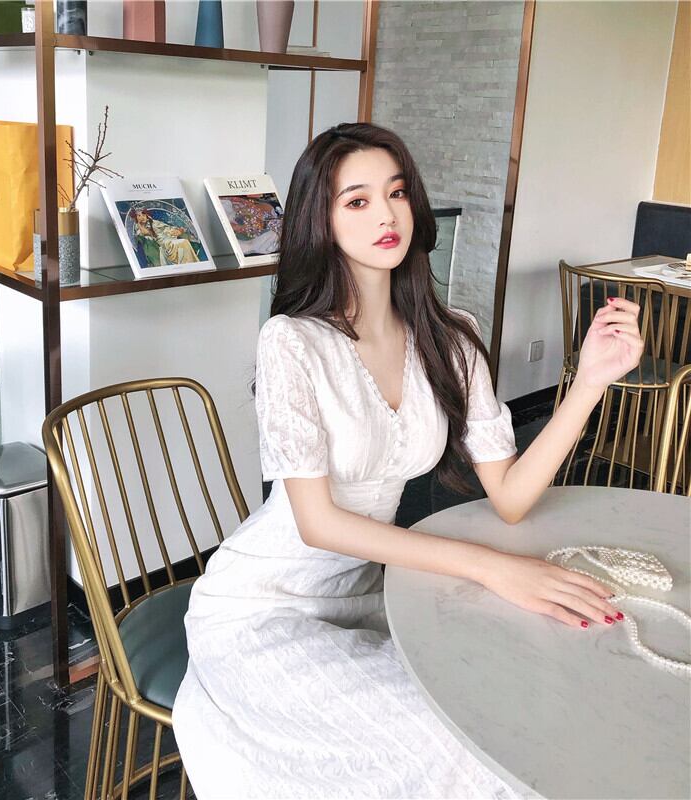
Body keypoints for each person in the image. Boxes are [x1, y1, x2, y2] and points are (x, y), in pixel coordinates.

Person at [172, 123, 643, 799]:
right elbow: (317, 525)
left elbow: (510, 496)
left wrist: (591, 381)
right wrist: (490, 565)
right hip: (262, 608)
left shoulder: (453, 338)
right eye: (357, 200)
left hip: (372, 595)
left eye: (396, 193)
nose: (387, 215)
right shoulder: (293, 342)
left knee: (518, 698)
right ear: (321, 219)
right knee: (455, 745)